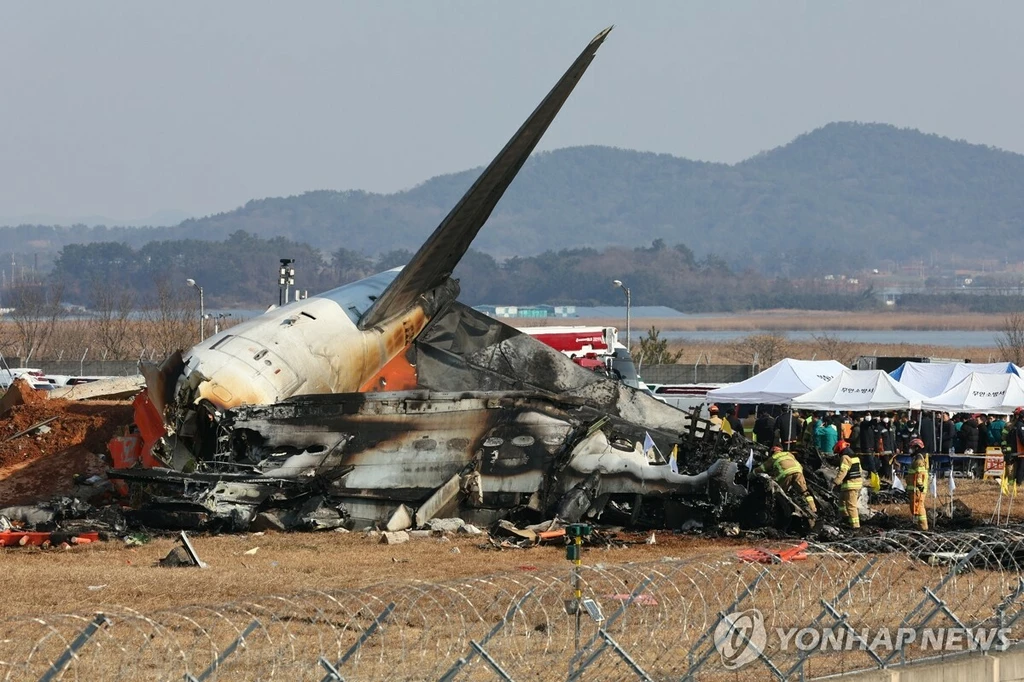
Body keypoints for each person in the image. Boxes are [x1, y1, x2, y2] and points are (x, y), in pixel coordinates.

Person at [755, 446, 817, 523]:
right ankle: (813, 509)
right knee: (804, 492)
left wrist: (752, 473)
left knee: (780, 495)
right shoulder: (789, 454)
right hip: (798, 472)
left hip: (785, 475)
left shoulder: (773, 458)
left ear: (772, 452)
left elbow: (762, 468)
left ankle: (784, 514)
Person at [833, 444, 864, 529]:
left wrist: (836, 482)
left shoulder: (845, 457)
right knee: (841, 501)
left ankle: (855, 526)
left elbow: (843, 471)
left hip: (850, 484)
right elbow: (860, 470)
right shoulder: (855, 457)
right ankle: (844, 518)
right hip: (854, 483)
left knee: (851, 506)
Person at [905, 438, 929, 530]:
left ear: (917, 448)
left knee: (919, 508)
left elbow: (919, 474)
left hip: (917, 489)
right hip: (914, 489)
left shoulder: (918, 461)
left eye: (912, 447)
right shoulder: (917, 459)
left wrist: (920, 486)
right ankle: (920, 526)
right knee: (915, 508)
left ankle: (924, 527)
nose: (910, 449)